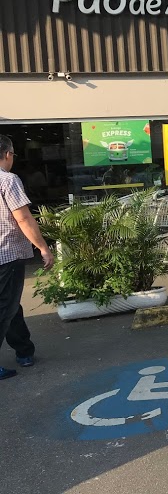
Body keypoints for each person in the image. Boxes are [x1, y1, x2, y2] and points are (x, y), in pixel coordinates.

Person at [0, 135, 53, 381]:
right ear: (8, 154)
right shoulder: (8, 180)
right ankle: (23, 352)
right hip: (6, 254)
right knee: (5, 308)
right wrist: (42, 247)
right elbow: (23, 218)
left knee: (10, 305)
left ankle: (24, 351)